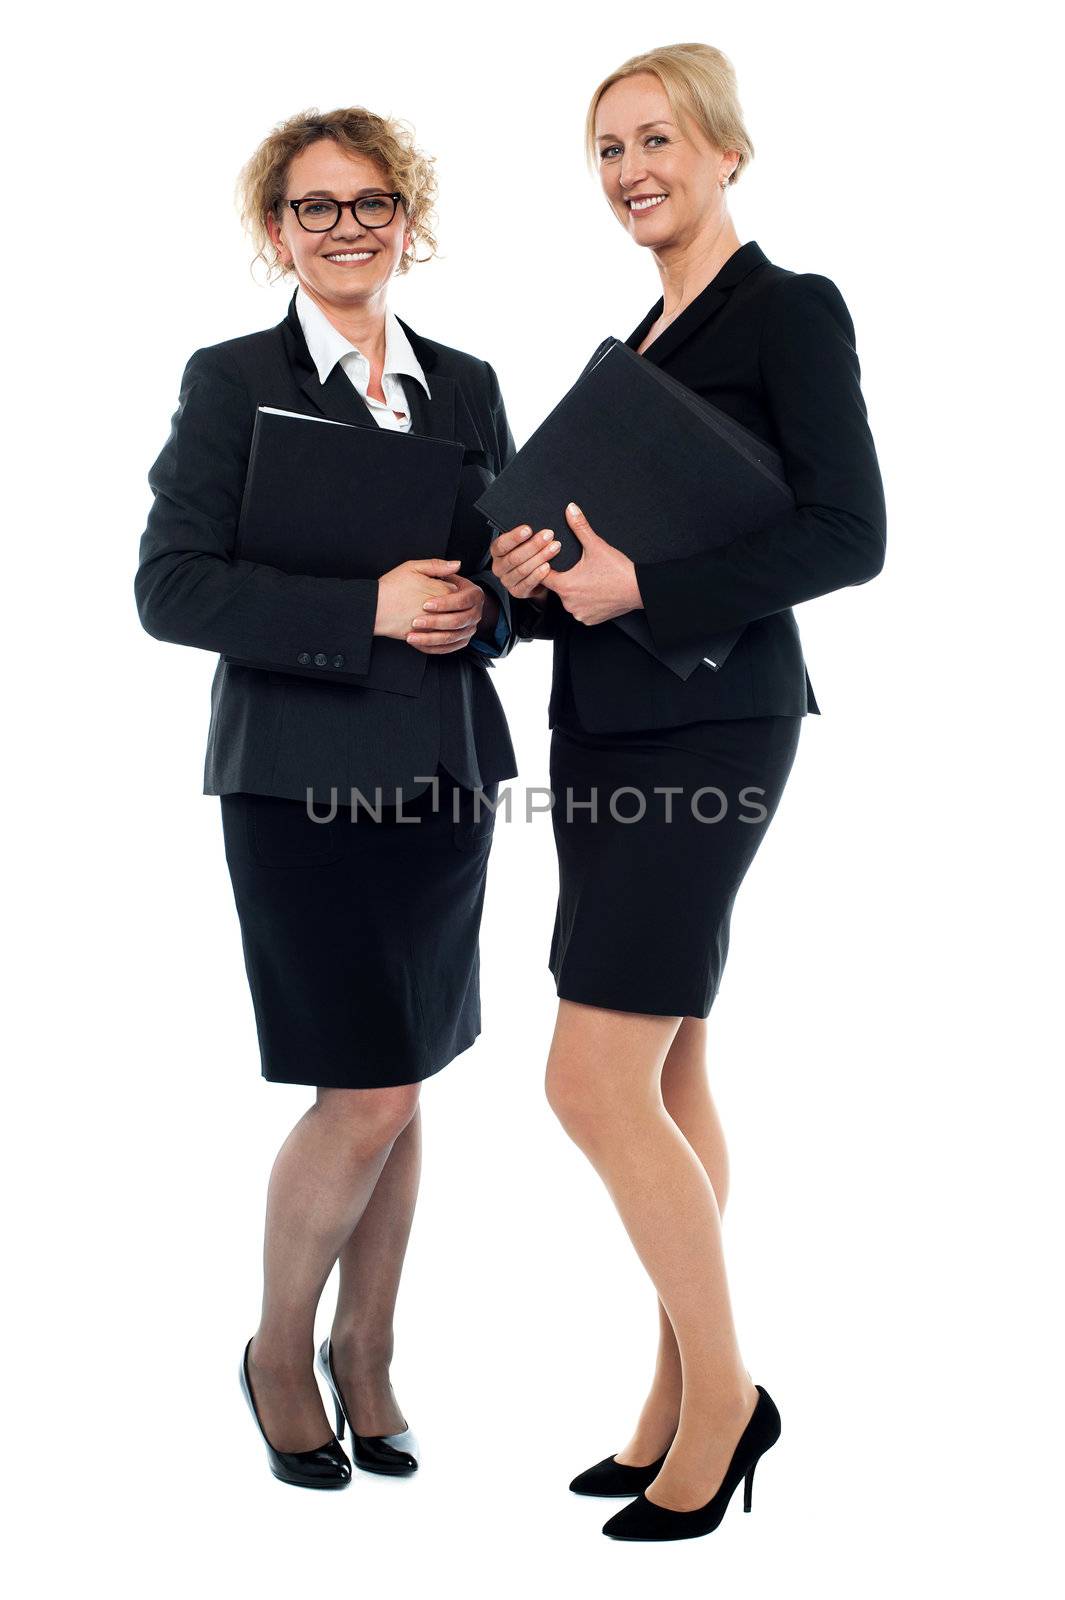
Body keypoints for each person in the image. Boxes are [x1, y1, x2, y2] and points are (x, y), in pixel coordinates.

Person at [490, 43, 886, 1541]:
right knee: (663, 1076)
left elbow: (848, 535)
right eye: (605, 151)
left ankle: (726, 1404)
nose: (630, 170)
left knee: (585, 1081)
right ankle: (670, 1400)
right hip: (606, 726)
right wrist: (532, 584)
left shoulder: (787, 312)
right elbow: (588, 585)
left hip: (710, 727)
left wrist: (639, 581)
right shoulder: (638, 351)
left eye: (656, 140)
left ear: (726, 151)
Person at [135, 106, 519, 1489]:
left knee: (404, 1083)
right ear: (276, 231)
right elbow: (170, 589)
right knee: (357, 1089)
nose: (345, 227)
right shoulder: (233, 381)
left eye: (370, 204)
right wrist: (362, 606)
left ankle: (371, 1354)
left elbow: (495, 602)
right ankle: (279, 1351)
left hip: (440, 781)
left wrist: (479, 605)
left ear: (405, 220)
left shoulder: (464, 383)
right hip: (299, 784)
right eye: (315, 207)